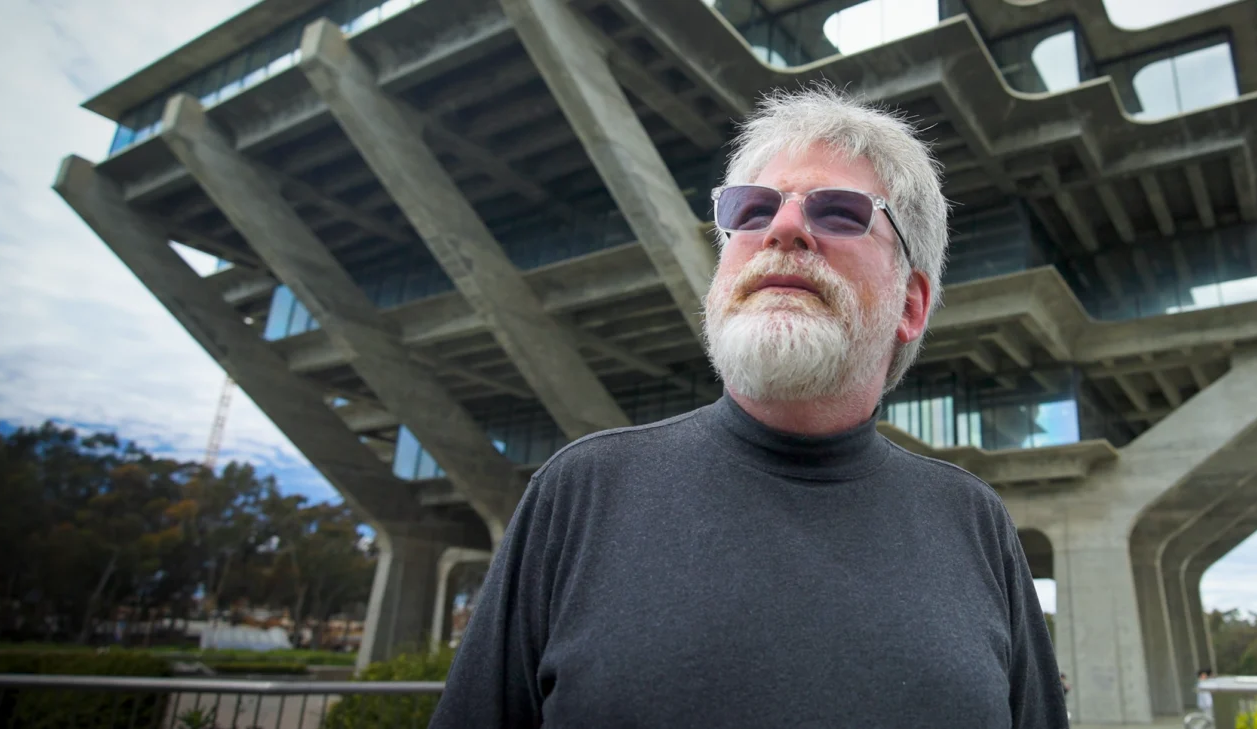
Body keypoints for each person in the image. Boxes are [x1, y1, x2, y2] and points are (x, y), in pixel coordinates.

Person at [429, 85, 1069, 728]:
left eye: (842, 212)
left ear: (910, 305)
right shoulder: (581, 492)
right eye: (752, 209)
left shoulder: (974, 524)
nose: (784, 228)